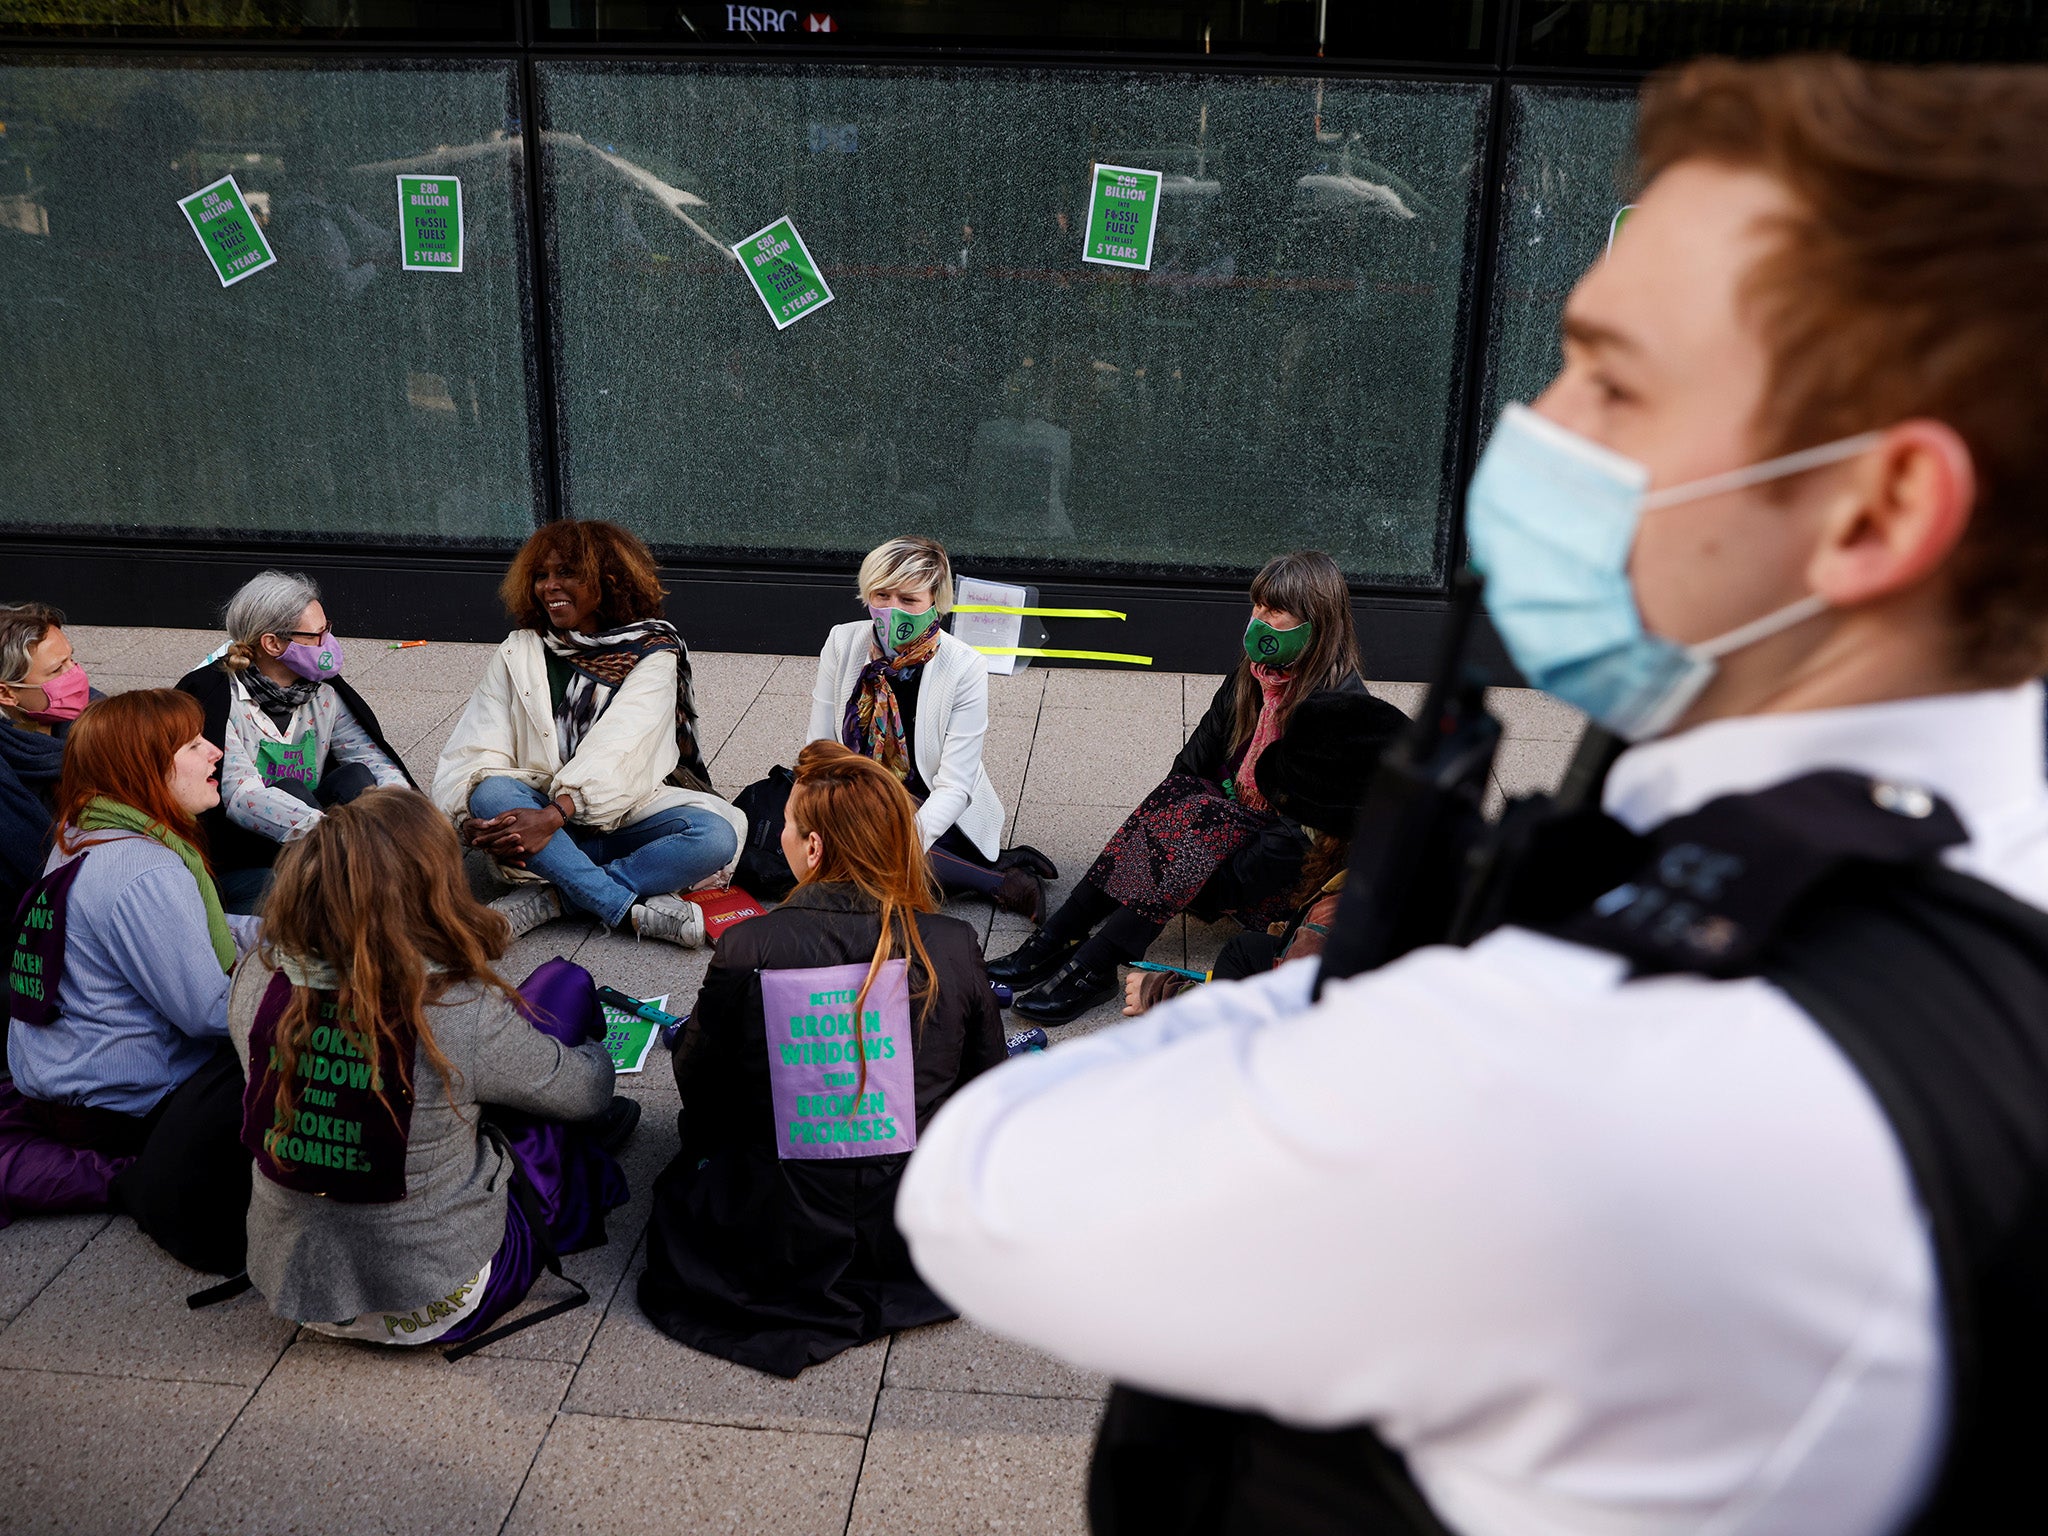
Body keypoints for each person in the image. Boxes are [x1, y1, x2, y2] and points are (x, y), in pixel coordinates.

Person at [900, 57, 2048, 1535]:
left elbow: (983, 1189)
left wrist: (1382, 972)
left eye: (1615, 382)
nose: (1541, 423)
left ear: (1880, 510)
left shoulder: (1557, 1082)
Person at [638, 740, 1006, 1378]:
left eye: (783, 824)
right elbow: (986, 1088)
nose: (777, 835)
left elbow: (700, 1085)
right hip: (909, 1224)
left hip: (774, 1228)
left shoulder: (750, 944)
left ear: (813, 849)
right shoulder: (951, 942)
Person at [229, 787, 629, 1352]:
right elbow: (587, 1093)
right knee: (563, 987)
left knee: (477, 1075)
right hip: (438, 1295)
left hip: (295, 1286)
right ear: (428, 888)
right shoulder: (455, 1008)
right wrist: (588, 1058)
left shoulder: (257, 975)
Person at [989, 550, 1377, 1024]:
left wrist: (1204, 882)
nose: (1258, 620)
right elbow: (1189, 767)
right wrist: (1166, 851)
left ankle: (1096, 965)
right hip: (1226, 840)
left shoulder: (1342, 712)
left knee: (1200, 818)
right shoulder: (1253, 676)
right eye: (1256, 606)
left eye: (1274, 611)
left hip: (1282, 885)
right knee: (1179, 800)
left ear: (1315, 623)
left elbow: (1296, 843)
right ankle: (1061, 936)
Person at [6, 690, 261, 1272]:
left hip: (64, 1087)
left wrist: (289, 932)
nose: (216, 752)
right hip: (117, 1107)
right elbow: (209, 1012)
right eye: (193, 746)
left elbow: (203, 926)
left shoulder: (86, 831)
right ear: (143, 769)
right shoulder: (145, 868)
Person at [433, 521, 745, 947]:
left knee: (714, 837)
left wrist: (556, 815)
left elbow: (619, 746)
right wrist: (471, 822)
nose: (549, 586)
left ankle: (554, 897)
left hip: (619, 813)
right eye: (541, 575)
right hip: (537, 818)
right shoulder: (519, 650)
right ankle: (627, 906)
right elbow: (476, 744)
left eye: (567, 574)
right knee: (489, 793)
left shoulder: (652, 652)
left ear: (608, 580)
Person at [808, 535, 1054, 918]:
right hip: (858, 793)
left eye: (909, 601)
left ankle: (995, 878)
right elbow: (820, 746)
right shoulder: (843, 641)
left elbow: (954, 785)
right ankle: (987, 872)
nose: (893, 611)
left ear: (934, 602)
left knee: (864, 853)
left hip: (931, 805)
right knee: (778, 821)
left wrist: (896, 844)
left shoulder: (963, 665)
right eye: (882, 596)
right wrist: (824, 812)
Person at [1119, 690, 1404, 1016]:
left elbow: (1278, 1027)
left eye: (1302, 812)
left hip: (1327, 1041)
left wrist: (1165, 995)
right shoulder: (1406, 854)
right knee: (1248, 948)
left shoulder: (1329, 923)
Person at [176, 571, 410, 915]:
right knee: (288, 789)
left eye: (327, 629)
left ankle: (382, 884)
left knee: (358, 778)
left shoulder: (322, 690)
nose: (328, 642)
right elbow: (242, 795)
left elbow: (370, 756)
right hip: (250, 846)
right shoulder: (217, 697)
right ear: (273, 644)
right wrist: (337, 836)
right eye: (317, 635)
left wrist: (408, 817)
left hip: (320, 830)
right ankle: (366, 893)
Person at [0, 602, 96, 924]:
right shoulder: (9, 772)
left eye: (71, 658)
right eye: (57, 670)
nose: (76, 674)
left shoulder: (98, 715)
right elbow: (34, 865)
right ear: (8, 694)